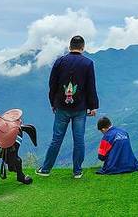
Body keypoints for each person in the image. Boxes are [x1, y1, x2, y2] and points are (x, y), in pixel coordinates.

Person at [36, 35, 99, 178]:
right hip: (80, 108)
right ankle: (77, 171)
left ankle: (45, 169)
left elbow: (52, 84)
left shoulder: (60, 61)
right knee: (79, 140)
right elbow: (91, 86)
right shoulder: (88, 63)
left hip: (61, 107)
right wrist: (93, 106)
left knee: (56, 139)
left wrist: (53, 102)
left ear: (69, 47)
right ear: (83, 47)